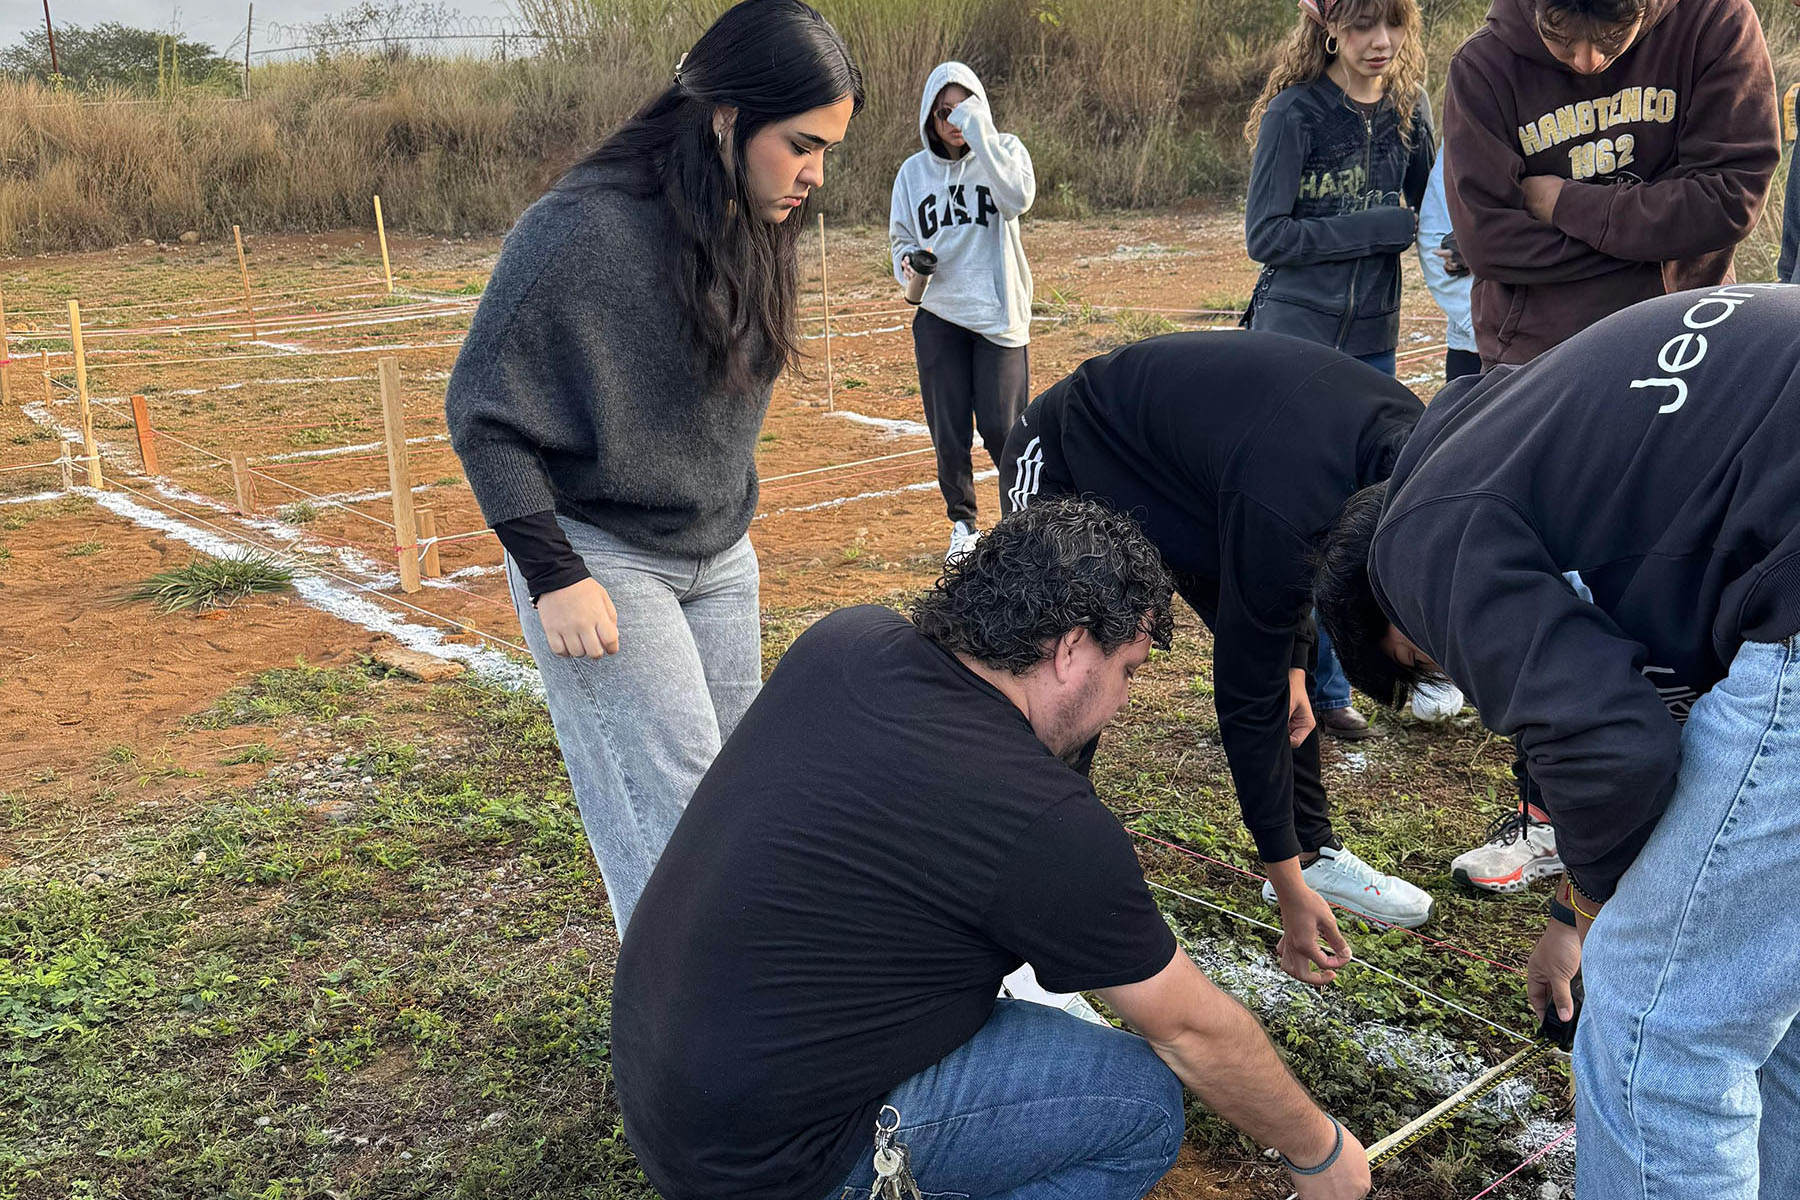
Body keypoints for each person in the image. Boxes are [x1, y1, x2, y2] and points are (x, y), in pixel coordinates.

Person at [612, 498, 1373, 1200]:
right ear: (1073, 649)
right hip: (770, 1164)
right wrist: (1319, 1150)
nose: (1123, 701)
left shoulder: (847, 641)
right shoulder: (1040, 819)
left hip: (665, 1096)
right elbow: (1188, 1027)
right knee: (1139, 1107)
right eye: (1127, 672)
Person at [1314, 283, 1800, 1199]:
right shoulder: (1505, 430)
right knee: (1766, 994)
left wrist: (1598, 909)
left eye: (1434, 658)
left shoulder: (1415, 541)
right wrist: (1568, 921)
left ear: (1392, 617)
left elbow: (1613, 744)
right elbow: (1576, 702)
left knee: (1662, 1038)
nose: (1466, 669)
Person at [444, 0, 862, 937]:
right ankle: (681, 1049)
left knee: (735, 798)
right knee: (672, 822)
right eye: (801, 144)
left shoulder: (752, 215)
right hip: (603, 558)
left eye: (827, 150)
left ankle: (729, 1011)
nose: (815, 174)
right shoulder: (579, 230)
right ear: (725, 119)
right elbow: (480, 409)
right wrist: (554, 574)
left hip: (720, 553)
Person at [999, 332, 1436, 959]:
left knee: (1292, 685)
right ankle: (1026, 884)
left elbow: (1307, 570)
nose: (1421, 658)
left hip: (1200, 491)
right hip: (1072, 454)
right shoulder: (1290, 502)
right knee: (1061, 672)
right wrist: (1283, 892)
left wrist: (1292, 666)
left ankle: (1309, 853)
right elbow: (1244, 696)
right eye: (1416, 657)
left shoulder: (1417, 471)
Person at [1242, 0, 1432, 739]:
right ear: (1328, 29)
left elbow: (1435, 209)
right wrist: (1379, 229)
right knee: (1300, 514)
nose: (1378, 43)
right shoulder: (1295, 114)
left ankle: (1345, 678)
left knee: (1362, 511)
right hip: (1295, 342)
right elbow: (1267, 234)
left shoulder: (1411, 113)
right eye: (1360, 27)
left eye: (1391, 25)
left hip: (1374, 343)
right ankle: (1305, 685)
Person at [1442, 0, 1780, 369]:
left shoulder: (1715, 21)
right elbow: (1489, 243)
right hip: (1540, 357)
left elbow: (1729, 201)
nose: (1588, 61)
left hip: (1685, 339)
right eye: (1560, 37)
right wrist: (1661, 234)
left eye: (1614, 36)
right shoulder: (1482, 65)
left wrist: (1562, 203)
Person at [890, 61, 1035, 564]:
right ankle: (964, 525)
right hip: (939, 314)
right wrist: (908, 267)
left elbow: (1017, 199)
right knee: (948, 431)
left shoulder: (1007, 152)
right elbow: (901, 241)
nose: (953, 120)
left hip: (998, 315)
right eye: (943, 111)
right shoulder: (913, 173)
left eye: (964, 108)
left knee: (1004, 427)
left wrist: (982, 131)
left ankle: (1024, 524)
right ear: (929, 116)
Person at [1416, 157, 1480, 384]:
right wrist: (1483, 326)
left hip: (1561, 344)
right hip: (1473, 349)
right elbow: (1435, 245)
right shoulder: (1459, 141)